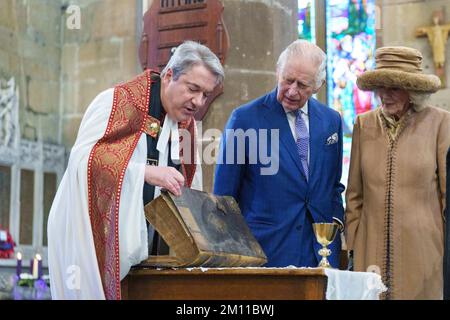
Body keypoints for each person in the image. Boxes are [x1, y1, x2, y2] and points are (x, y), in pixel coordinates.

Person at [47, 41, 224, 300]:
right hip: (96, 247)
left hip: (153, 262)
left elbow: (190, 189)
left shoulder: (187, 127)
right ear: (169, 75)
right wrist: (143, 173)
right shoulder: (117, 102)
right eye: (193, 89)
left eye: (205, 94)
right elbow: (82, 161)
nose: (198, 101)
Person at [214, 40, 345, 268]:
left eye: (303, 85)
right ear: (278, 71)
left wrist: (334, 224)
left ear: (318, 85)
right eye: (287, 80)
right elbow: (224, 197)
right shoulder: (244, 120)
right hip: (266, 250)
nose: (292, 91)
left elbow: (333, 184)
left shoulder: (331, 121)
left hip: (320, 252)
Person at [345, 46, 450, 299]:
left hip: (424, 252)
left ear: (412, 91)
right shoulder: (363, 124)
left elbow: (447, 197)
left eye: (394, 87)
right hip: (369, 252)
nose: (385, 95)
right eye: (381, 86)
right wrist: (354, 244)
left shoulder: (440, 124)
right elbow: (354, 196)